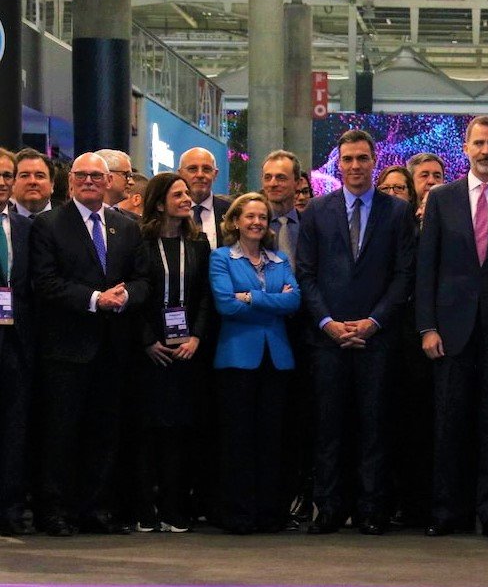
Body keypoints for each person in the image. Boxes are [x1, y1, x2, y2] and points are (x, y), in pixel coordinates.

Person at [415, 116, 488, 538]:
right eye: (478, 143)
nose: (485, 151)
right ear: (465, 148)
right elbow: (426, 268)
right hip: (450, 331)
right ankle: (447, 513)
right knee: (449, 424)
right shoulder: (441, 198)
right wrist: (427, 326)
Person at [298, 130, 416, 535]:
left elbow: (403, 276)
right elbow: (306, 274)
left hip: (377, 338)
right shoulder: (315, 210)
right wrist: (328, 323)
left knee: (374, 428)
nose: (354, 166)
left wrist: (374, 321)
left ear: (374, 160)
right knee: (329, 428)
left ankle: (371, 510)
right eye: (347, 159)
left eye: (362, 158)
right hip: (327, 339)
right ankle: (329, 508)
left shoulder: (397, 212)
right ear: (338, 163)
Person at [31, 153, 150, 536]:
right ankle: (55, 511)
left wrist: (126, 295)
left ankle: (95, 508)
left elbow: (143, 279)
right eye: (81, 175)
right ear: (70, 183)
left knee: (105, 432)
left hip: (114, 349)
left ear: (109, 181)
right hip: (66, 349)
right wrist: (96, 299)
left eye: (96, 176)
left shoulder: (126, 227)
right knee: (62, 434)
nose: (89, 181)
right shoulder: (48, 225)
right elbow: (44, 282)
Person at [209, 192, 301, 534]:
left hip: (276, 360)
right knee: (238, 440)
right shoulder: (221, 258)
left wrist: (252, 297)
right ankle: (239, 514)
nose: (257, 222)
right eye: (250, 216)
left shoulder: (279, 259)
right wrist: (274, 300)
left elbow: (296, 303)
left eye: (262, 217)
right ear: (236, 221)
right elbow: (225, 305)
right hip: (237, 360)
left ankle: (270, 513)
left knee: (271, 439)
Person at [133, 172, 213, 533]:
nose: (186, 199)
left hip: (187, 352)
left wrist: (196, 336)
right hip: (151, 351)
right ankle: (145, 509)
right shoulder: (140, 241)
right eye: (178, 194)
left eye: (186, 194)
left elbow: (206, 297)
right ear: (160, 202)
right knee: (148, 431)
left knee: (181, 432)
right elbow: (134, 294)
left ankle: (175, 508)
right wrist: (147, 339)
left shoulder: (198, 245)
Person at [0, 148, 34, 535]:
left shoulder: (27, 228)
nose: (3, 181)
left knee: (14, 430)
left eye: (9, 175)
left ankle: (9, 511)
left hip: (18, 341)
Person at [178, 148, 230, 250]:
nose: (200, 175)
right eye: (192, 169)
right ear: (180, 174)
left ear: (215, 174)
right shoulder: (170, 212)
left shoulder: (230, 211)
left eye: (206, 169)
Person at [262, 150, 301, 267]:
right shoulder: (252, 226)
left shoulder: (309, 224)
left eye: (281, 178)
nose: (273, 184)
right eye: (267, 177)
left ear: (297, 183)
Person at [10, 148, 54, 218]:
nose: (32, 181)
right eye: (24, 176)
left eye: (40, 176)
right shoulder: (3, 221)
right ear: (13, 184)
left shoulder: (71, 219)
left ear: (52, 184)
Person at [95, 149, 136, 218]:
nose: (132, 182)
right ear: (107, 176)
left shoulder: (136, 222)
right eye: (126, 175)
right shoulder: (74, 217)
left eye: (131, 176)